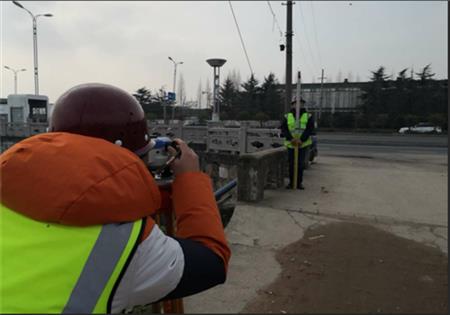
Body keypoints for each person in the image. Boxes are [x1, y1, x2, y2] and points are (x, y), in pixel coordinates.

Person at [0, 83, 231, 313]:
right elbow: (211, 262)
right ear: (132, 155)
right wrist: (190, 179)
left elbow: (72, 196)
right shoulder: (128, 243)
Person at [280, 98, 315, 190]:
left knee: (300, 164)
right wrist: (291, 139)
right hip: (291, 144)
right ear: (293, 104)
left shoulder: (308, 116)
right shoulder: (287, 116)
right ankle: (291, 183)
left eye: (301, 103)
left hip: (302, 144)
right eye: (296, 103)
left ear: (303, 104)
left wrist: (301, 140)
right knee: (291, 164)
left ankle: (299, 183)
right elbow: (284, 129)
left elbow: (310, 129)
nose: (298, 105)